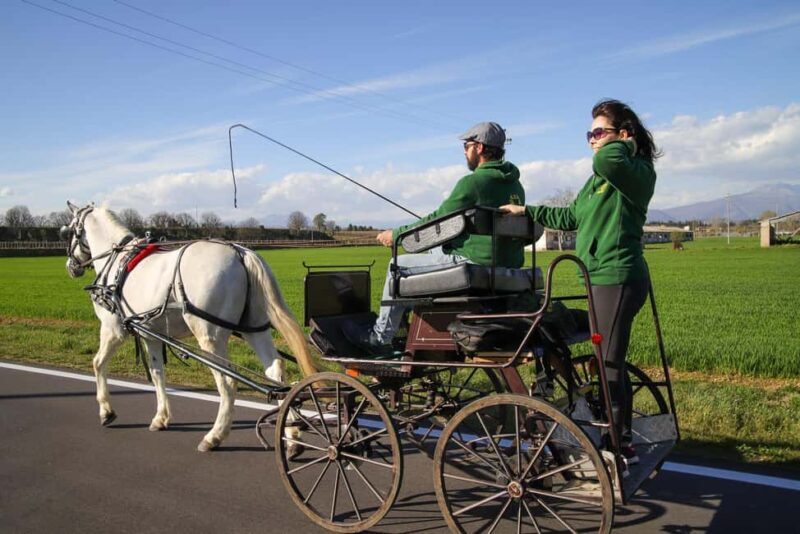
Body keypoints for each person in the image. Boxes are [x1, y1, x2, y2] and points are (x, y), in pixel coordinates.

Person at [501, 99, 660, 464]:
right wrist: (526, 210)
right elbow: (571, 215)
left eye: (599, 132)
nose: (591, 139)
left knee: (609, 364)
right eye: (589, 133)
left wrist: (624, 142)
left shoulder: (633, 171)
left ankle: (620, 448)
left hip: (616, 277)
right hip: (600, 278)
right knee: (607, 361)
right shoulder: (601, 179)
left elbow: (605, 158)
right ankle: (612, 433)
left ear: (623, 135)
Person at [344, 121, 526, 352]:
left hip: (476, 264)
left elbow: (437, 219)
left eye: (466, 146)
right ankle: (407, 322)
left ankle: (381, 336)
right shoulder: (515, 185)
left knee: (396, 266)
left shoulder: (473, 183)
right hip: (504, 266)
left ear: (479, 148)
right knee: (434, 252)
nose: (464, 151)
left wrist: (397, 235)